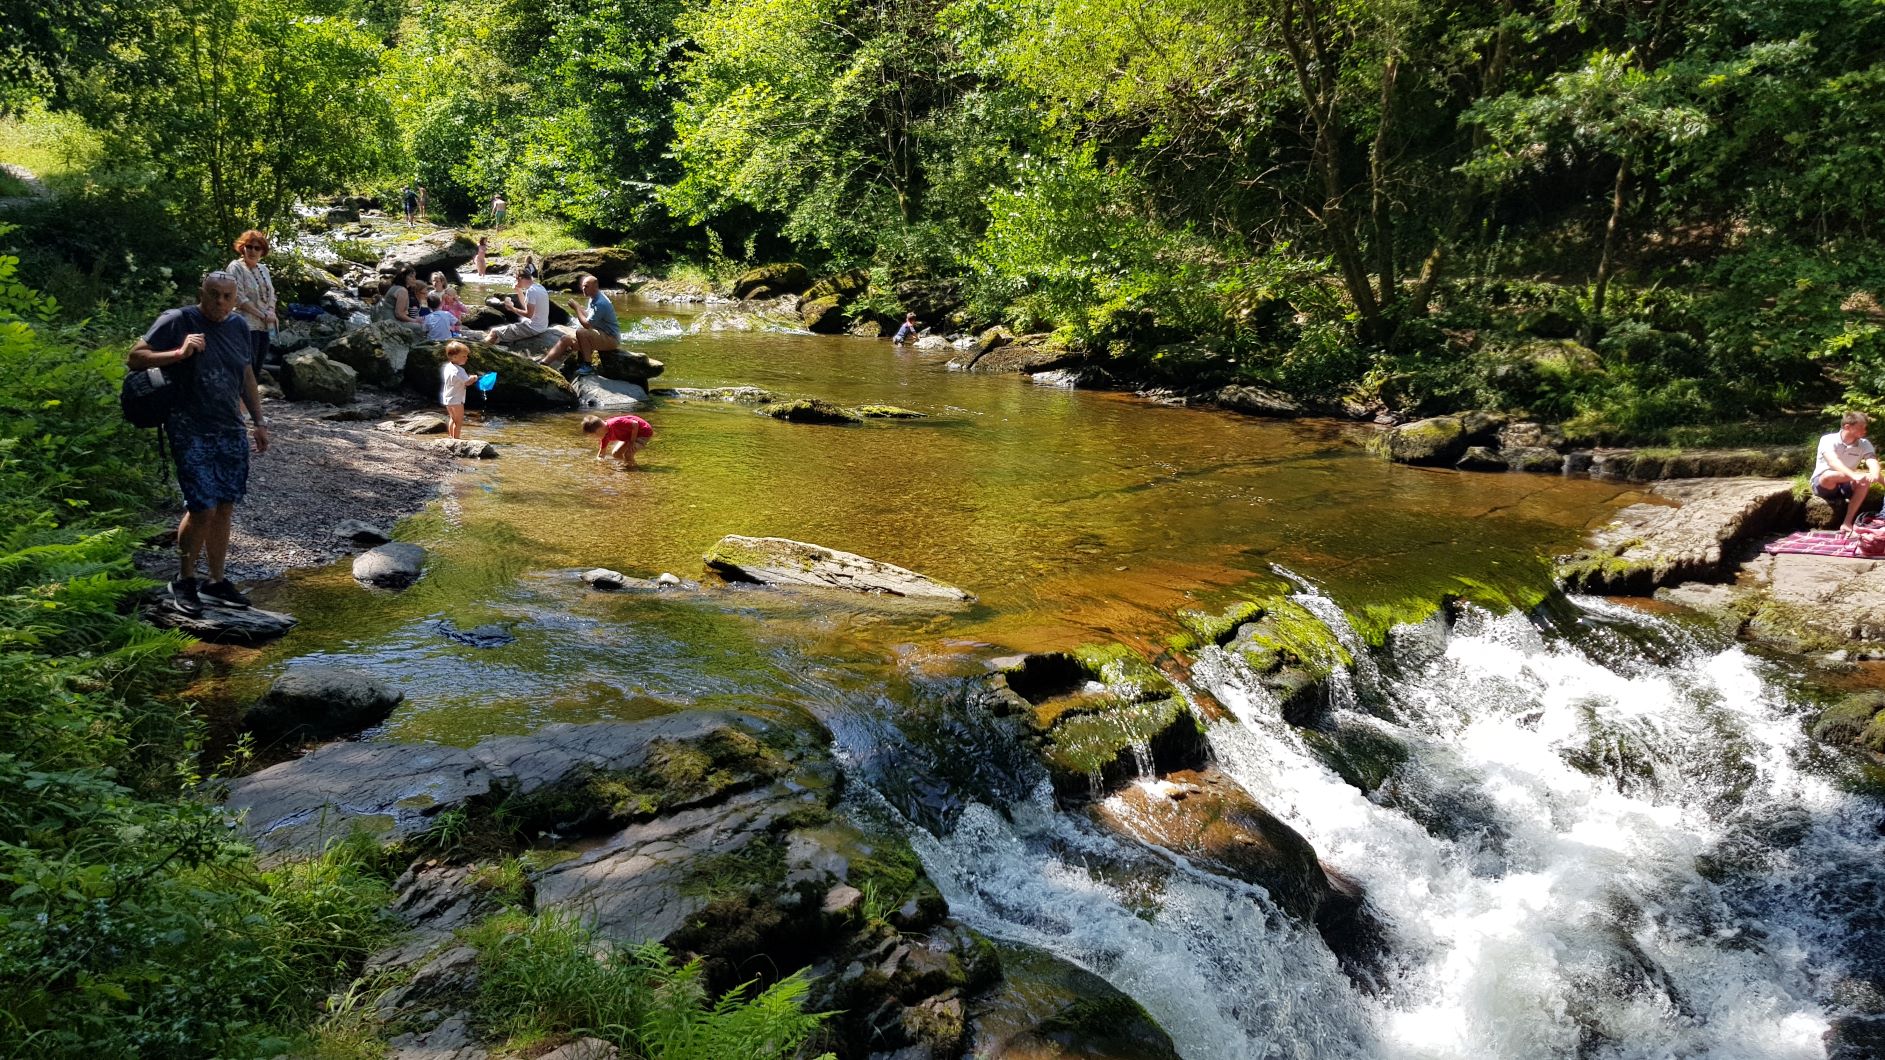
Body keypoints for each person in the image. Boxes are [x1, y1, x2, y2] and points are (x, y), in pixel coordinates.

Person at [129, 272, 270, 617]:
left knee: (225, 504)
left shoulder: (238, 326)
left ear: (236, 298)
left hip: (229, 427)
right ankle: (185, 580)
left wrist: (259, 421)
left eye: (227, 296)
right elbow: (134, 357)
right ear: (201, 294)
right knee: (201, 505)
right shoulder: (178, 320)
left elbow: (246, 374)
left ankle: (216, 582)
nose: (220, 302)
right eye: (214, 295)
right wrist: (178, 352)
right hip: (188, 427)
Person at [1813, 411, 1884, 535]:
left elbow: (1872, 460)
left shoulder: (1864, 443)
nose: (1865, 430)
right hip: (1825, 483)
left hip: (1846, 483)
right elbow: (1833, 462)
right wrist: (1853, 475)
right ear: (1847, 427)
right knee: (1830, 475)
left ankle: (1847, 522)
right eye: (1861, 427)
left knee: (1864, 482)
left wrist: (1875, 473)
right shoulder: (1828, 439)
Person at [539, 274, 619, 373]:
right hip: (598, 334)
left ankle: (588, 366)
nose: (583, 288)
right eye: (583, 286)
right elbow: (589, 316)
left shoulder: (600, 303)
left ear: (595, 287)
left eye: (586, 286)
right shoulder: (593, 298)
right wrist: (579, 308)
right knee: (565, 339)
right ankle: (543, 364)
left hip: (610, 338)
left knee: (581, 332)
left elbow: (587, 324)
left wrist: (577, 308)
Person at [226, 229, 277, 373]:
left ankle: (253, 394)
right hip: (245, 324)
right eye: (249, 246)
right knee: (246, 366)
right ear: (242, 248)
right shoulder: (236, 267)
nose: (252, 251)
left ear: (262, 251)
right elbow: (238, 297)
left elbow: (272, 294)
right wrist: (262, 314)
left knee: (258, 366)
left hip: (266, 324)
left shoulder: (264, 269)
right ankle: (241, 395)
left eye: (257, 248)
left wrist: (271, 311)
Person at [481, 266, 548, 346]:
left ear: (520, 278)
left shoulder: (531, 291)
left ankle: (481, 349)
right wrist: (519, 291)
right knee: (520, 320)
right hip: (542, 325)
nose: (516, 281)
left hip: (533, 328)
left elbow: (529, 315)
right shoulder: (539, 287)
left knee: (494, 332)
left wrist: (512, 308)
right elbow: (527, 308)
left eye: (516, 279)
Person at [373, 265, 427, 336]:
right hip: (391, 323)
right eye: (411, 276)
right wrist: (415, 321)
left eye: (414, 276)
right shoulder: (402, 290)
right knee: (421, 327)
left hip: (385, 320)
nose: (414, 279)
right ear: (403, 277)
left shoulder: (395, 287)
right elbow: (399, 314)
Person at [583, 413, 652, 468]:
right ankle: (627, 464)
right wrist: (599, 462)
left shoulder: (615, 423)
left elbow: (635, 424)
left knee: (628, 454)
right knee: (616, 453)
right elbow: (601, 454)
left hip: (643, 432)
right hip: (629, 435)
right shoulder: (605, 436)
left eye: (595, 435)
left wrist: (632, 442)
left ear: (600, 429)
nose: (596, 438)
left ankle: (634, 468)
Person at [440, 340, 472, 440]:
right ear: (454, 357)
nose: (467, 358)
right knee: (459, 421)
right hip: (457, 400)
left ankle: (451, 437)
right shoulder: (459, 370)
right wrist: (474, 378)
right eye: (464, 356)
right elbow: (467, 382)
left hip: (448, 398)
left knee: (452, 419)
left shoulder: (448, 367)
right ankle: (456, 440)